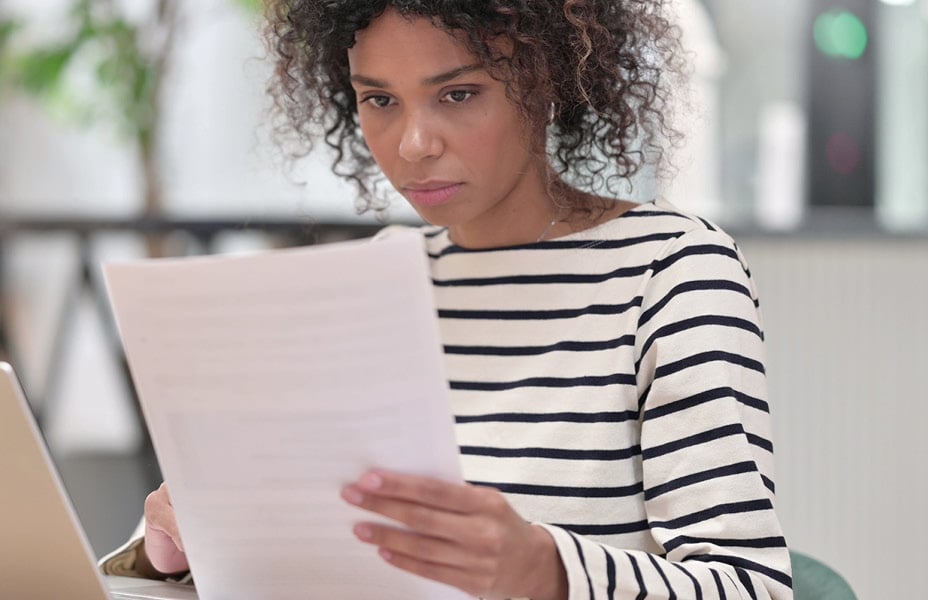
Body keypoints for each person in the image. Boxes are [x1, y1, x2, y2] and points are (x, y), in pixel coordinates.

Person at [100, 1, 792, 598]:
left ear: (544, 76)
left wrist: (540, 568)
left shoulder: (668, 272)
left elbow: (748, 583)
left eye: (457, 94)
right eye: (379, 99)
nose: (414, 144)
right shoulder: (370, 283)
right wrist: (190, 539)